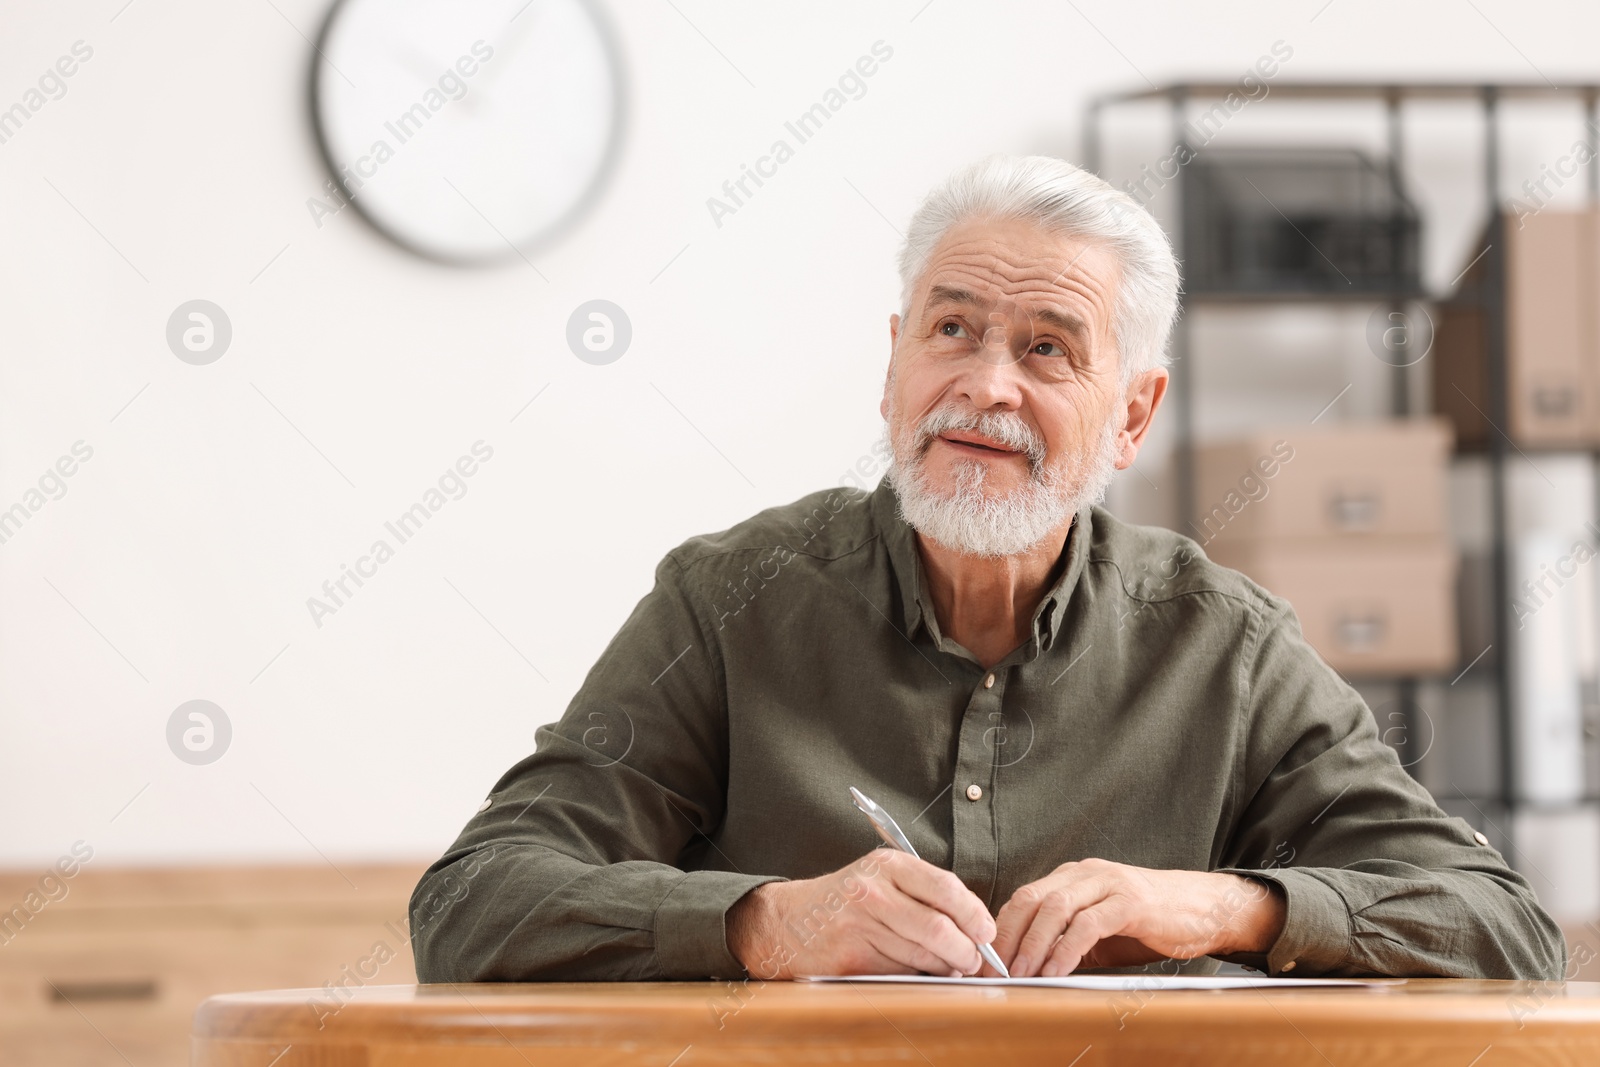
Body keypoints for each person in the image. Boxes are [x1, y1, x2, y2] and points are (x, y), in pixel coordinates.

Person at [409, 154, 1566, 983]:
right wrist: (764, 923)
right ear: (893, 360)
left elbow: (1504, 928)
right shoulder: (728, 600)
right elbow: (471, 903)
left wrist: (1223, 904)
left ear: (1131, 415)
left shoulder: (1228, 642)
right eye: (951, 330)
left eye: (1048, 348)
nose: (986, 385)